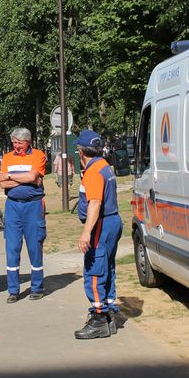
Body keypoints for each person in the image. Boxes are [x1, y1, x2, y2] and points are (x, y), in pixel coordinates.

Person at [73, 129, 122, 339]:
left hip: (101, 224)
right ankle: (110, 312)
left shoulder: (94, 171)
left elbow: (95, 202)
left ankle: (98, 318)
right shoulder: (104, 166)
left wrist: (86, 233)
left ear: (82, 151)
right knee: (108, 267)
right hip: (112, 221)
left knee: (94, 269)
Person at [0, 128, 47, 303]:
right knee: (12, 247)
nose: (16, 146)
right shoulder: (7, 158)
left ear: (28, 142)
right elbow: (2, 183)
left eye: (20, 143)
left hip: (33, 206)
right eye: (14, 143)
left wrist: (11, 176)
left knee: (35, 246)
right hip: (13, 207)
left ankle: (37, 287)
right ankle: (13, 290)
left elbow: (34, 176)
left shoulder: (38, 155)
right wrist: (25, 178)